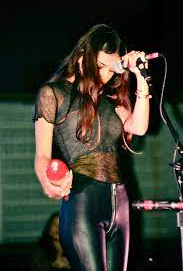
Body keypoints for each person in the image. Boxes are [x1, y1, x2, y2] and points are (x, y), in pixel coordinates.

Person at [33, 23, 151, 271]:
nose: (105, 75)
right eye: (100, 66)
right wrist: (48, 180)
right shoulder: (53, 93)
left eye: (111, 69)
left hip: (121, 203)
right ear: (80, 58)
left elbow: (139, 127)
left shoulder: (111, 100)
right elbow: (42, 155)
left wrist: (141, 78)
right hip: (83, 201)